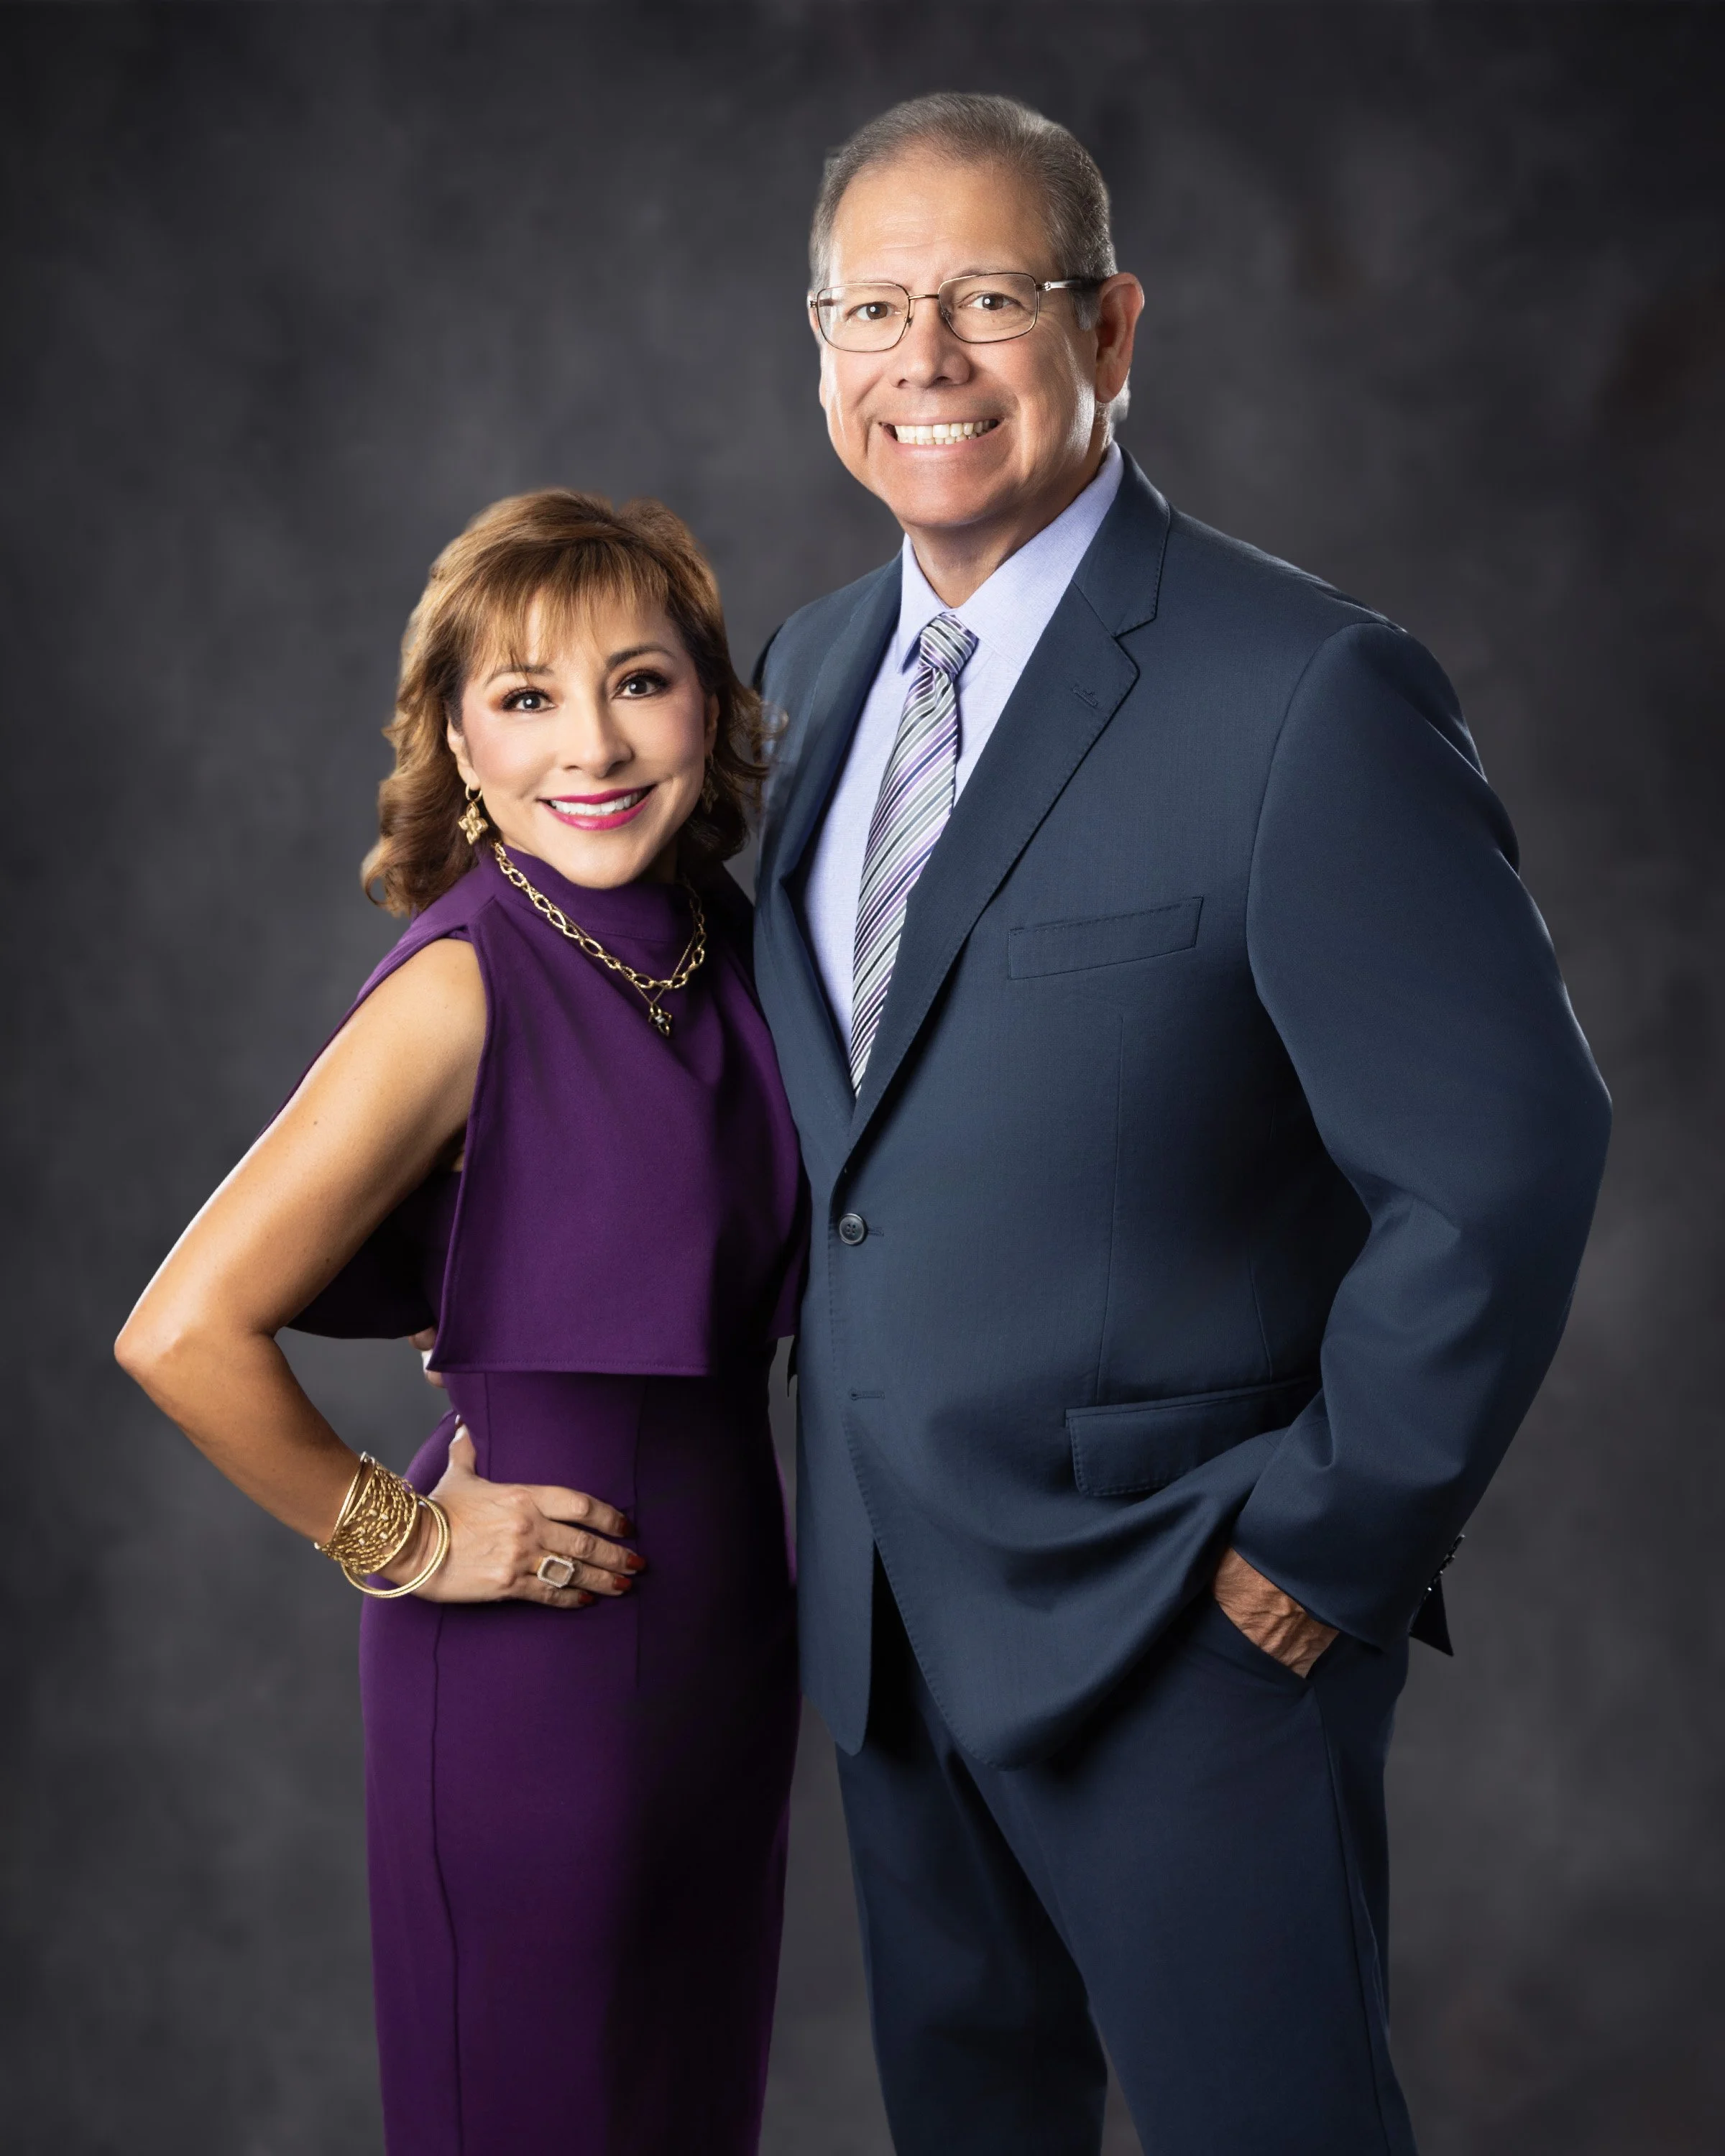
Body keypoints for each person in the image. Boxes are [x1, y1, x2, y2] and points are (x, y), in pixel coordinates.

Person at [751, 93, 1611, 2156]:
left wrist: (1323, 1547)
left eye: (988, 298)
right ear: (821, 346)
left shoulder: (1305, 689)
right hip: (886, 1629)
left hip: (1183, 1627)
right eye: (873, 309)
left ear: (1112, 328)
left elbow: (1505, 1159)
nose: (925, 359)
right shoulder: (807, 673)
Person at [116, 489, 807, 2156]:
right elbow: (181, 1332)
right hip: (532, 1669)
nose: (595, 744)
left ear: (706, 704)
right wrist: (407, 1538)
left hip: (729, 1635)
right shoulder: (464, 980)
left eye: (640, 682)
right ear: (456, 740)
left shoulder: (727, 941)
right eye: (527, 696)